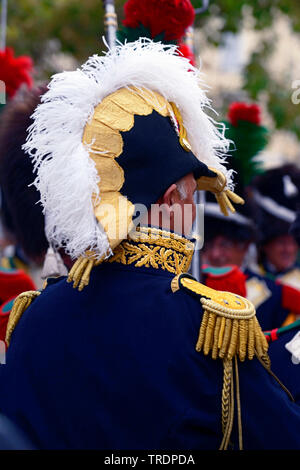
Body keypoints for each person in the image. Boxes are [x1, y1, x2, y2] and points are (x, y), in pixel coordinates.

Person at [0, 40, 300, 450]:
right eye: (194, 193)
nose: (194, 210)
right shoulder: (206, 327)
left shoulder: (33, 317)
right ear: (172, 199)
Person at [202, 103, 296, 331]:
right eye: (208, 244)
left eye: (225, 244)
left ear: (245, 246)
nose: (215, 254)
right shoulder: (182, 286)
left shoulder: (280, 300)